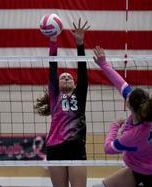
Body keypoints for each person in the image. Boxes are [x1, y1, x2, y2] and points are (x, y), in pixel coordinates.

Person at [92, 46, 152, 187]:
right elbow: (120, 83)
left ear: (128, 105)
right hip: (139, 169)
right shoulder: (147, 114)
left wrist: (115, 126)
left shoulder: (134, 135)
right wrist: (103, 63)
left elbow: (108, 148)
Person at [34, 18, 90, 187]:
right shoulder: (54, 94)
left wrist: (79, 43)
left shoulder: (79, 95)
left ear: (74, 84)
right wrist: (53, 41)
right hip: (55, 146)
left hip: (75, 145)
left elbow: (82, 70)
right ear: (57, 84)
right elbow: (53, 68)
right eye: (63, 77)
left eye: (69, 77)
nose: (66, 76)